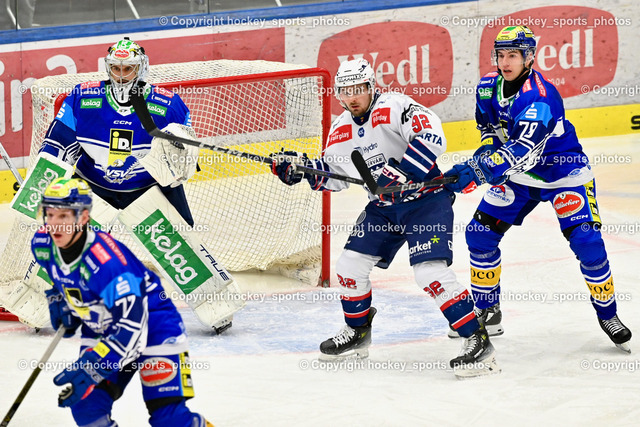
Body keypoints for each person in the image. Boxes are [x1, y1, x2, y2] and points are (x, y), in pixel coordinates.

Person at [271, 58, 499, 377]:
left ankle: (477, 339)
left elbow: (432, 135)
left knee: (430, 274)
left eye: (358, 89)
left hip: (425, 201)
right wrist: (301, 170)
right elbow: (333, 175)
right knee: (349, 267)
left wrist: (403, 172)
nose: (352, 97)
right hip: (384, 208)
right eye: (345, 91)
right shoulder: (340, 129)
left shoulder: (394, 106)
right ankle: (358, 332)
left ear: (371, 87)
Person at [34, 36, 243, 334]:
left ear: (141, 68)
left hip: (148, 186)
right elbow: (58, 141)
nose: (121, 75)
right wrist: (45, 176)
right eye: (116, 68)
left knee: (178, 244)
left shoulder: (167, 104)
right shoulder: (82, 97)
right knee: (67, 239)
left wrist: (180, 150)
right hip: (95, 184)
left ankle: (216, 306)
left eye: (128, 68)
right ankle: (37, 303)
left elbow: (182, 165)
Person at [444, 25, 632, 352]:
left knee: (587, 242)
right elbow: (489, 130)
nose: (505, 62)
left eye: (513, 55)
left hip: (563, 174)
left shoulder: (539, 96)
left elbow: (523, 150)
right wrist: (484, 155)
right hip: (519, 178)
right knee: (479, 234)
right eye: (501, 55)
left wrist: (479, 170)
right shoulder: (487, 87)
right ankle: (489, 310)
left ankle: (608, 315)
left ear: (529, 57)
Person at [31, 177, 213, 426]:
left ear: (83, 217)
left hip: (154, 325)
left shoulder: (108, 264)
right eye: (50, 215)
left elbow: (132, 328)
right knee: (87, 407)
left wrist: (94, 365)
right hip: (104, 326)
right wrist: (62, 299)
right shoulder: (42, 244)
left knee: (169, 419)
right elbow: (62, 275)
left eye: (64, 216)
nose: (54, 224)